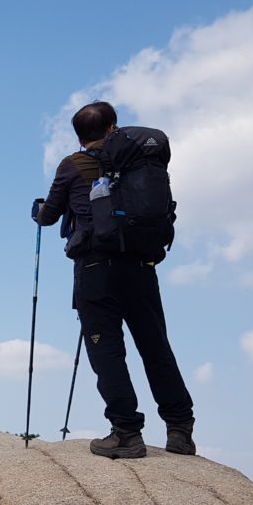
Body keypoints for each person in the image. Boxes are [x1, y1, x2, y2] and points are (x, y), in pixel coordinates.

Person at [35, 101, 195, 459]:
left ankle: (126, 432)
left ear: (79, 136)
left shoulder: (73, 165)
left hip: (95, 269)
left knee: (106, 349)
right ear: (113, 127)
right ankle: (180, 429)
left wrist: (38, 211)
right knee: (155, 346)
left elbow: (48, 216)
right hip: (141, 264)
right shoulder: (139, 162)